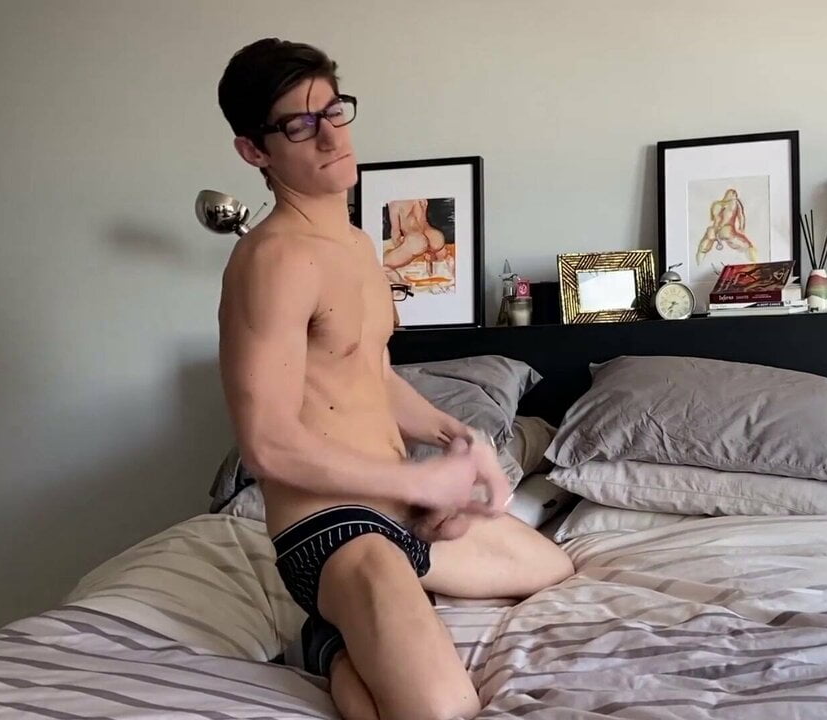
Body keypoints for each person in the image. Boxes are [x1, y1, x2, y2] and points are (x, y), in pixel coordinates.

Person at [214, 39, 574, 720]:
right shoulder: (273, 261)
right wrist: (418, 483)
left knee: (553, 568)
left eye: (334, 111)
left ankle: (353, 628)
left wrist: (459, 437)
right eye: (299, 125)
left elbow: (369, 373)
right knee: (442, 710)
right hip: (333, 526)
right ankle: (331, 644)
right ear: (254, 151)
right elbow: (267, 445)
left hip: (401, 511)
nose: (330, 135)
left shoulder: (355, 243)